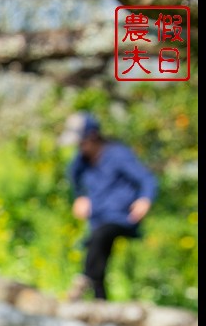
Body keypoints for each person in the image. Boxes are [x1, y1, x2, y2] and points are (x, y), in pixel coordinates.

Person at [59, 112, 157, 301]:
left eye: (82, 142)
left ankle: (83, 280)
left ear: (93, 135)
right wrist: (80, 197)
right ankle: (100, 301)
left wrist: (145, 199)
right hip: (98, 218)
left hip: (121, 218)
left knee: (100, 236)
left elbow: (147, 179)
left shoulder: (118, 154)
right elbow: (74, 178)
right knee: (98, 253)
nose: (80, 148)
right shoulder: (81, 162)